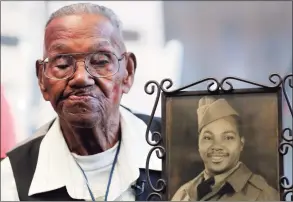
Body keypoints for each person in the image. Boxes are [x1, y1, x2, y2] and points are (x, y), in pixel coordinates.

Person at [1, 3, 161, 201]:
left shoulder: (182, 147)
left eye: (101, 61)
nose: (81, 78)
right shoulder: (11, 180)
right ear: (42, 79)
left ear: (127, 72)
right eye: (62, 63)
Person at [171, 96, 279, 201]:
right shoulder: (182, 195)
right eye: (208, 137)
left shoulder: (264, 196)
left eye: (228, 137)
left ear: (241, 144)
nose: (217, 146)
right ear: (198, 144)